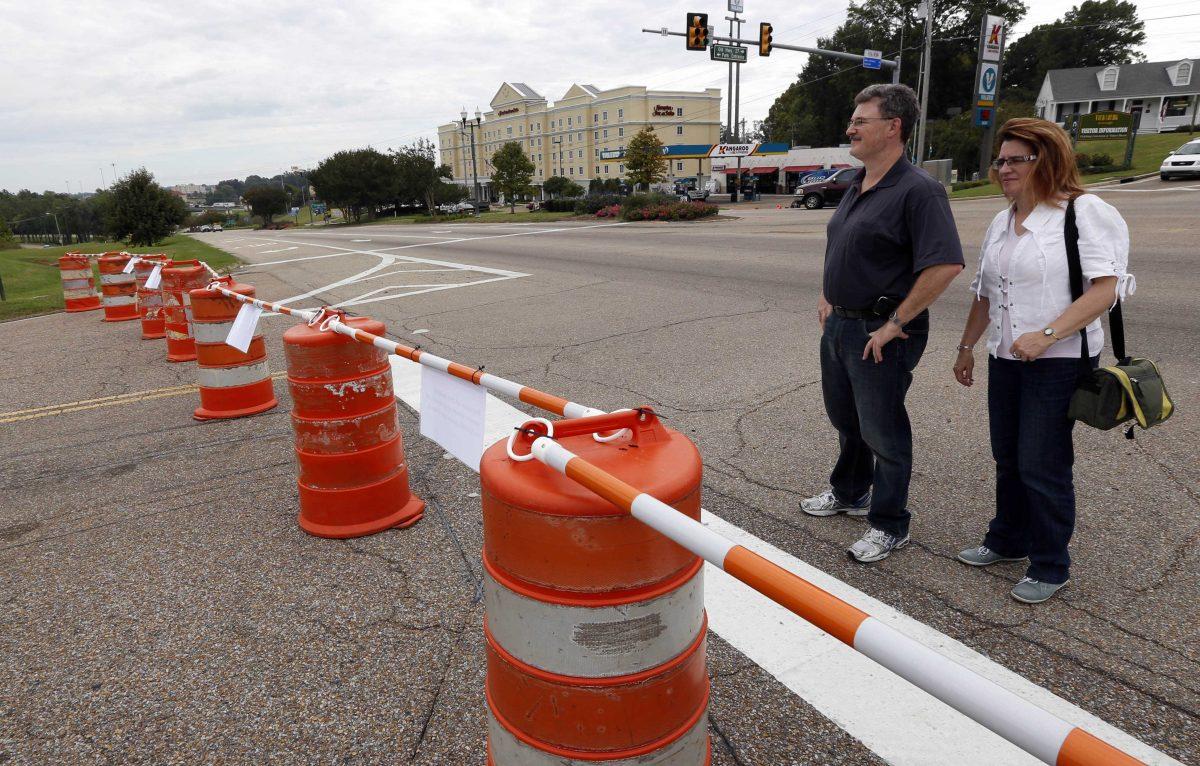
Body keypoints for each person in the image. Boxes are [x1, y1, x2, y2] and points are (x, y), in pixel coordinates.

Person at [952, 117, 1132, 604]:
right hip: (1007, 358)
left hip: (1058, 361)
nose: (1003, 168)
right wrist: (968, 346)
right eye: (1000, 160)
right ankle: (1007, 539)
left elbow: (1105, 290)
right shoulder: (1002, 220)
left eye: (1016, 160)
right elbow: (986, 293)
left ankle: (1051, 564)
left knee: (1042, 462)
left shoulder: (1082, 212)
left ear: (1046, 160)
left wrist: (1047, 334)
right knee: (1007, 455)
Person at [801, 84, 964, 563]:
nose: (850, 128)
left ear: (893, 127)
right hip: (842, 326)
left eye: (861, 120)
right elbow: (841, 246)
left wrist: (896, 323)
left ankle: (890, 524)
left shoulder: (919, 190)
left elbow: (945, 265)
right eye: (853, 120)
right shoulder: (859, 182)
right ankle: (851, 492)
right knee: (846, 419)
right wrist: (828, 293)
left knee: (884, 432)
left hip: (881, 332)